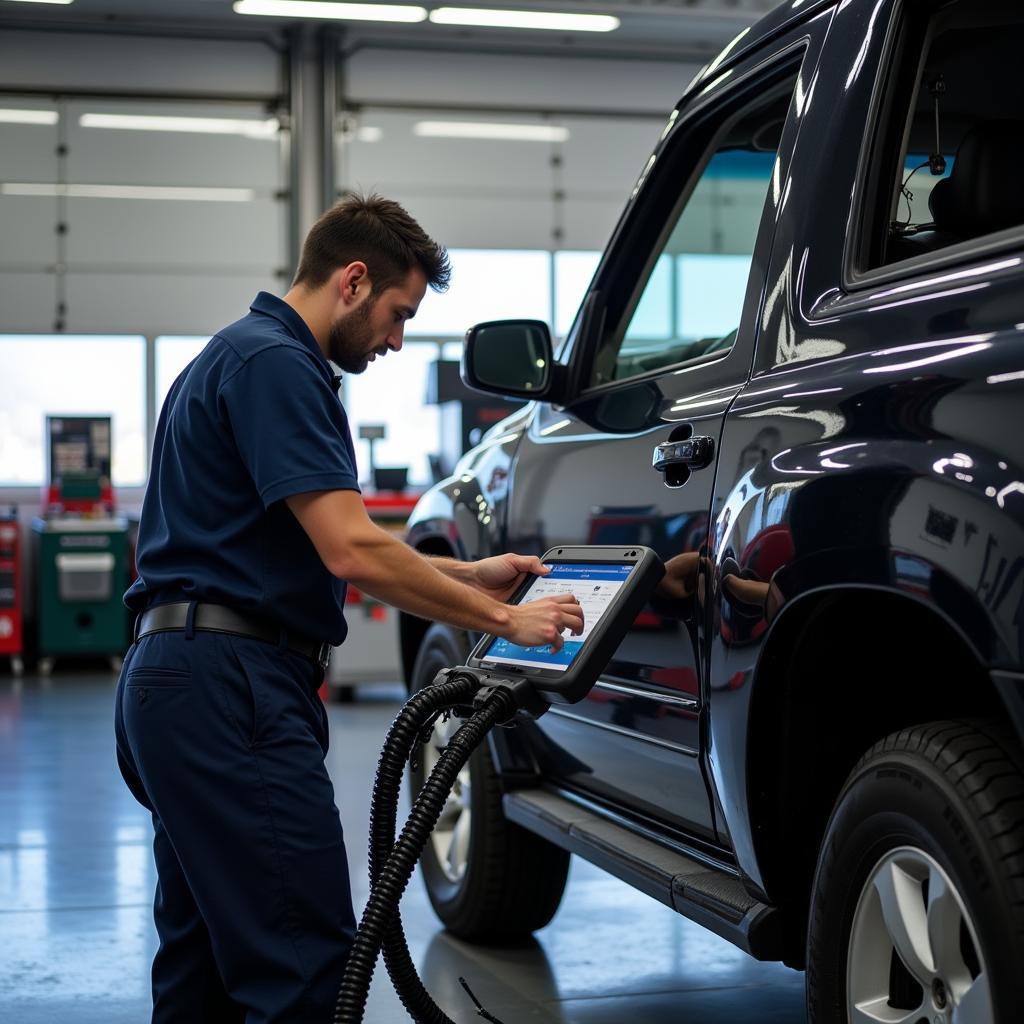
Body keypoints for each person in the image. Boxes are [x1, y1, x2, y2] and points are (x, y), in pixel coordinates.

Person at [114, 193, 584, 1024]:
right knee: (303, 971)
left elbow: (282, 538)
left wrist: (468, 577)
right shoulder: (279, 365)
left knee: (204, 971)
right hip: (233, 691)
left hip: (174, 684)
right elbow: (350, 548)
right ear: (353, 280)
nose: (398, 341)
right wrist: (507, 621)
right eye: (399, 314)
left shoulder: (225, 358)